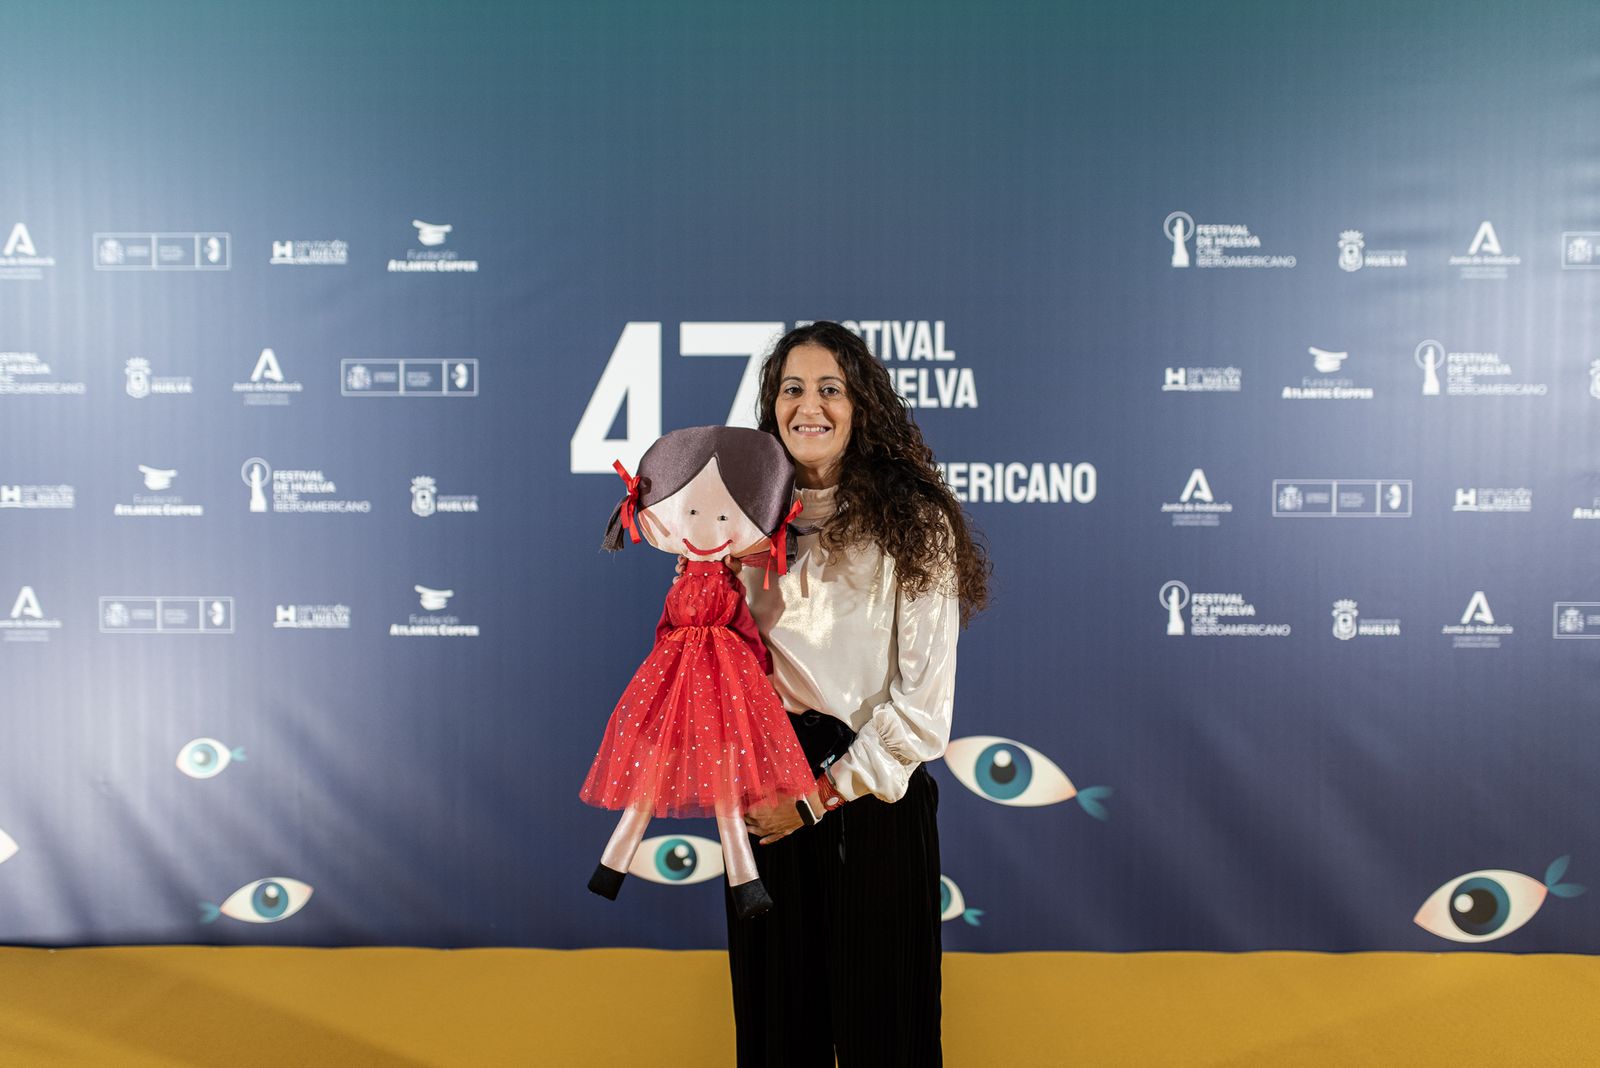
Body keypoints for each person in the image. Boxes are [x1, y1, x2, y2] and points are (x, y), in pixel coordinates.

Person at [722, 320, 991, 1067]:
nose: (808, 406)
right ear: (772, 408)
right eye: (792, 389)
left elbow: (922, 714)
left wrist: (815, 800)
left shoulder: (916, 523)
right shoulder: (740, 521)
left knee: (887, 1035)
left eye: (829, 389)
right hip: (766, 794)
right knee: (778, 1033)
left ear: (861, 406)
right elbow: (720, 668)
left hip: (872, 805)